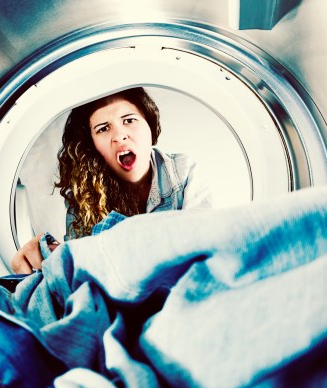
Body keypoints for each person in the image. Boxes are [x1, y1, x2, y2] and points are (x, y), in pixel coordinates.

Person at [11, 87, 213, 274]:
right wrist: (49, 255)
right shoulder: (84, 195)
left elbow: (203, 249)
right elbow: (82, 270)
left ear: (150, 126)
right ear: (93, 146)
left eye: (129, 120)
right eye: (103, 129)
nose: (119, 135)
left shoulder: (182, 170)